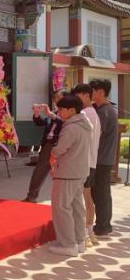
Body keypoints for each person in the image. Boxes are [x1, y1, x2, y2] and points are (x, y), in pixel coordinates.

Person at [48, 94, 92, 257]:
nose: (59, 112)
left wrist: (52, 152)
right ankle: (79, 241)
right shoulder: (84, 124)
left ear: (72, 110)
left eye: (61, 109)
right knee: (77, 208)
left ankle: (67, 244)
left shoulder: (71, 127)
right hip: (79, 171)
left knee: (62, 208)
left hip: (67, 172)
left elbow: (60, 149)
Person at [72, 83, 101, 247]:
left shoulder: (84, 114)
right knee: (88, 199)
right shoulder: (94, 113)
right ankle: (90, 232)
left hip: (83, 162)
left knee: (79, 200)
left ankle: (83, 235)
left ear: (85, 95)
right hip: (92, 161)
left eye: (78, 96)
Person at [23, 90, 65, 203]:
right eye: (55, 98)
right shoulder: (55, 112)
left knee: (60, 175)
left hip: (59, 145)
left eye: (59, 97)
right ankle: (31, 196)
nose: (56, 100)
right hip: (48, 144)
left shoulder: (68, 112)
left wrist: (50, 114)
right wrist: (36, 114)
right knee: (40, 170)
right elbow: (42, 123)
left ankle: (61, 201)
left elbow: (63, 123)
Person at [90, 78, 118, 238]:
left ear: (100, 92)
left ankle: (103, 226)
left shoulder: (105, 112)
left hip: (102, 159)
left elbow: (96, 135)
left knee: (101, 193)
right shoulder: (101, 109)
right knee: (100, 192)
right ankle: (103, 225)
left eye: (92, 91)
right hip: (101, 159)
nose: (90, 94)